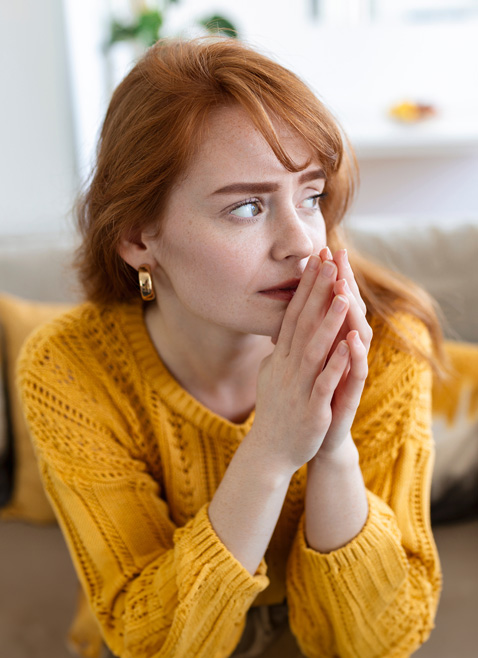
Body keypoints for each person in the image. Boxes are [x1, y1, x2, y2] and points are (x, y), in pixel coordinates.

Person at [18, 37, 444, 658]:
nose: (301, 243)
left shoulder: (387, 348)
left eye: (311, 195)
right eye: (246, 207)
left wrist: (332, 448)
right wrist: (271, 448)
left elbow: (380, 641)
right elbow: (152, 642)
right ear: (139, 236)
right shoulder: (71, 369)